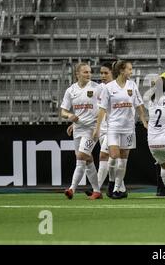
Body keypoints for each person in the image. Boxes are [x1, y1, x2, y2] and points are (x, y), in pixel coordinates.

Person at [93, 60, 148, 199]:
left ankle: (117, 189)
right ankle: (112, 183)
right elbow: (102, 109)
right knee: (113, 159)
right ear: (122, 71)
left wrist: (144, 121)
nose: (131, 72)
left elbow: (139, 104)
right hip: (113, 128)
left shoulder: (132, 85)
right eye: (129, 69)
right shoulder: (109, 88)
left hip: (128, 128)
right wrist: (97, 128)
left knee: (123, 160)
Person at [68, 62, 116, 197]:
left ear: (113, 74)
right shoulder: (99, 87)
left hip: (113, 128)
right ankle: (111, 188)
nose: (102, 76)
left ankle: (101, 187)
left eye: (106, 73)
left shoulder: (117, 88)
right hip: (99, 127)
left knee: (104, 156)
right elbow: (95, 107)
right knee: (92, 157)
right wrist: (78, 122)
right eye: (101, 73)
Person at [61, 63, 103, 200]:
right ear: (77, 74)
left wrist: (98, 127)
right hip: (78, 128)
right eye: (85, 72)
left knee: (81, 158)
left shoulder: (97, 88)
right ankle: (97, 191)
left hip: (91, 128)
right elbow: (63, 111)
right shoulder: (71, 90)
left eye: (90, 72)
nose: (89, 75)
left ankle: (72, 189)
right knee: (87, 159)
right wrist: (70, 117)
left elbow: (104, 108)